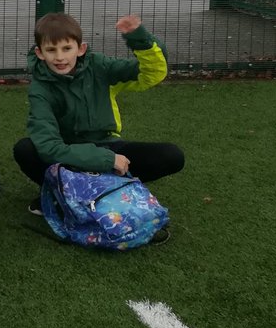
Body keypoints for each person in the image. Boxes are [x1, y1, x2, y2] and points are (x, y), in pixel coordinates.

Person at [13, 12, 182, 220]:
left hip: (108, 145)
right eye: (51, 50)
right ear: (40, 53)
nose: (59, 57)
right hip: (68, 157)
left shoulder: (99, 66)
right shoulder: (40, 89)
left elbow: (151, 73)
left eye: (66, 48)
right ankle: (61, 194)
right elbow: (49, 147)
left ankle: (100, 191)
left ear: (81, 49)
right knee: (25, 149)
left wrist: (140, 39)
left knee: (172, 155)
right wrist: (106, 159)